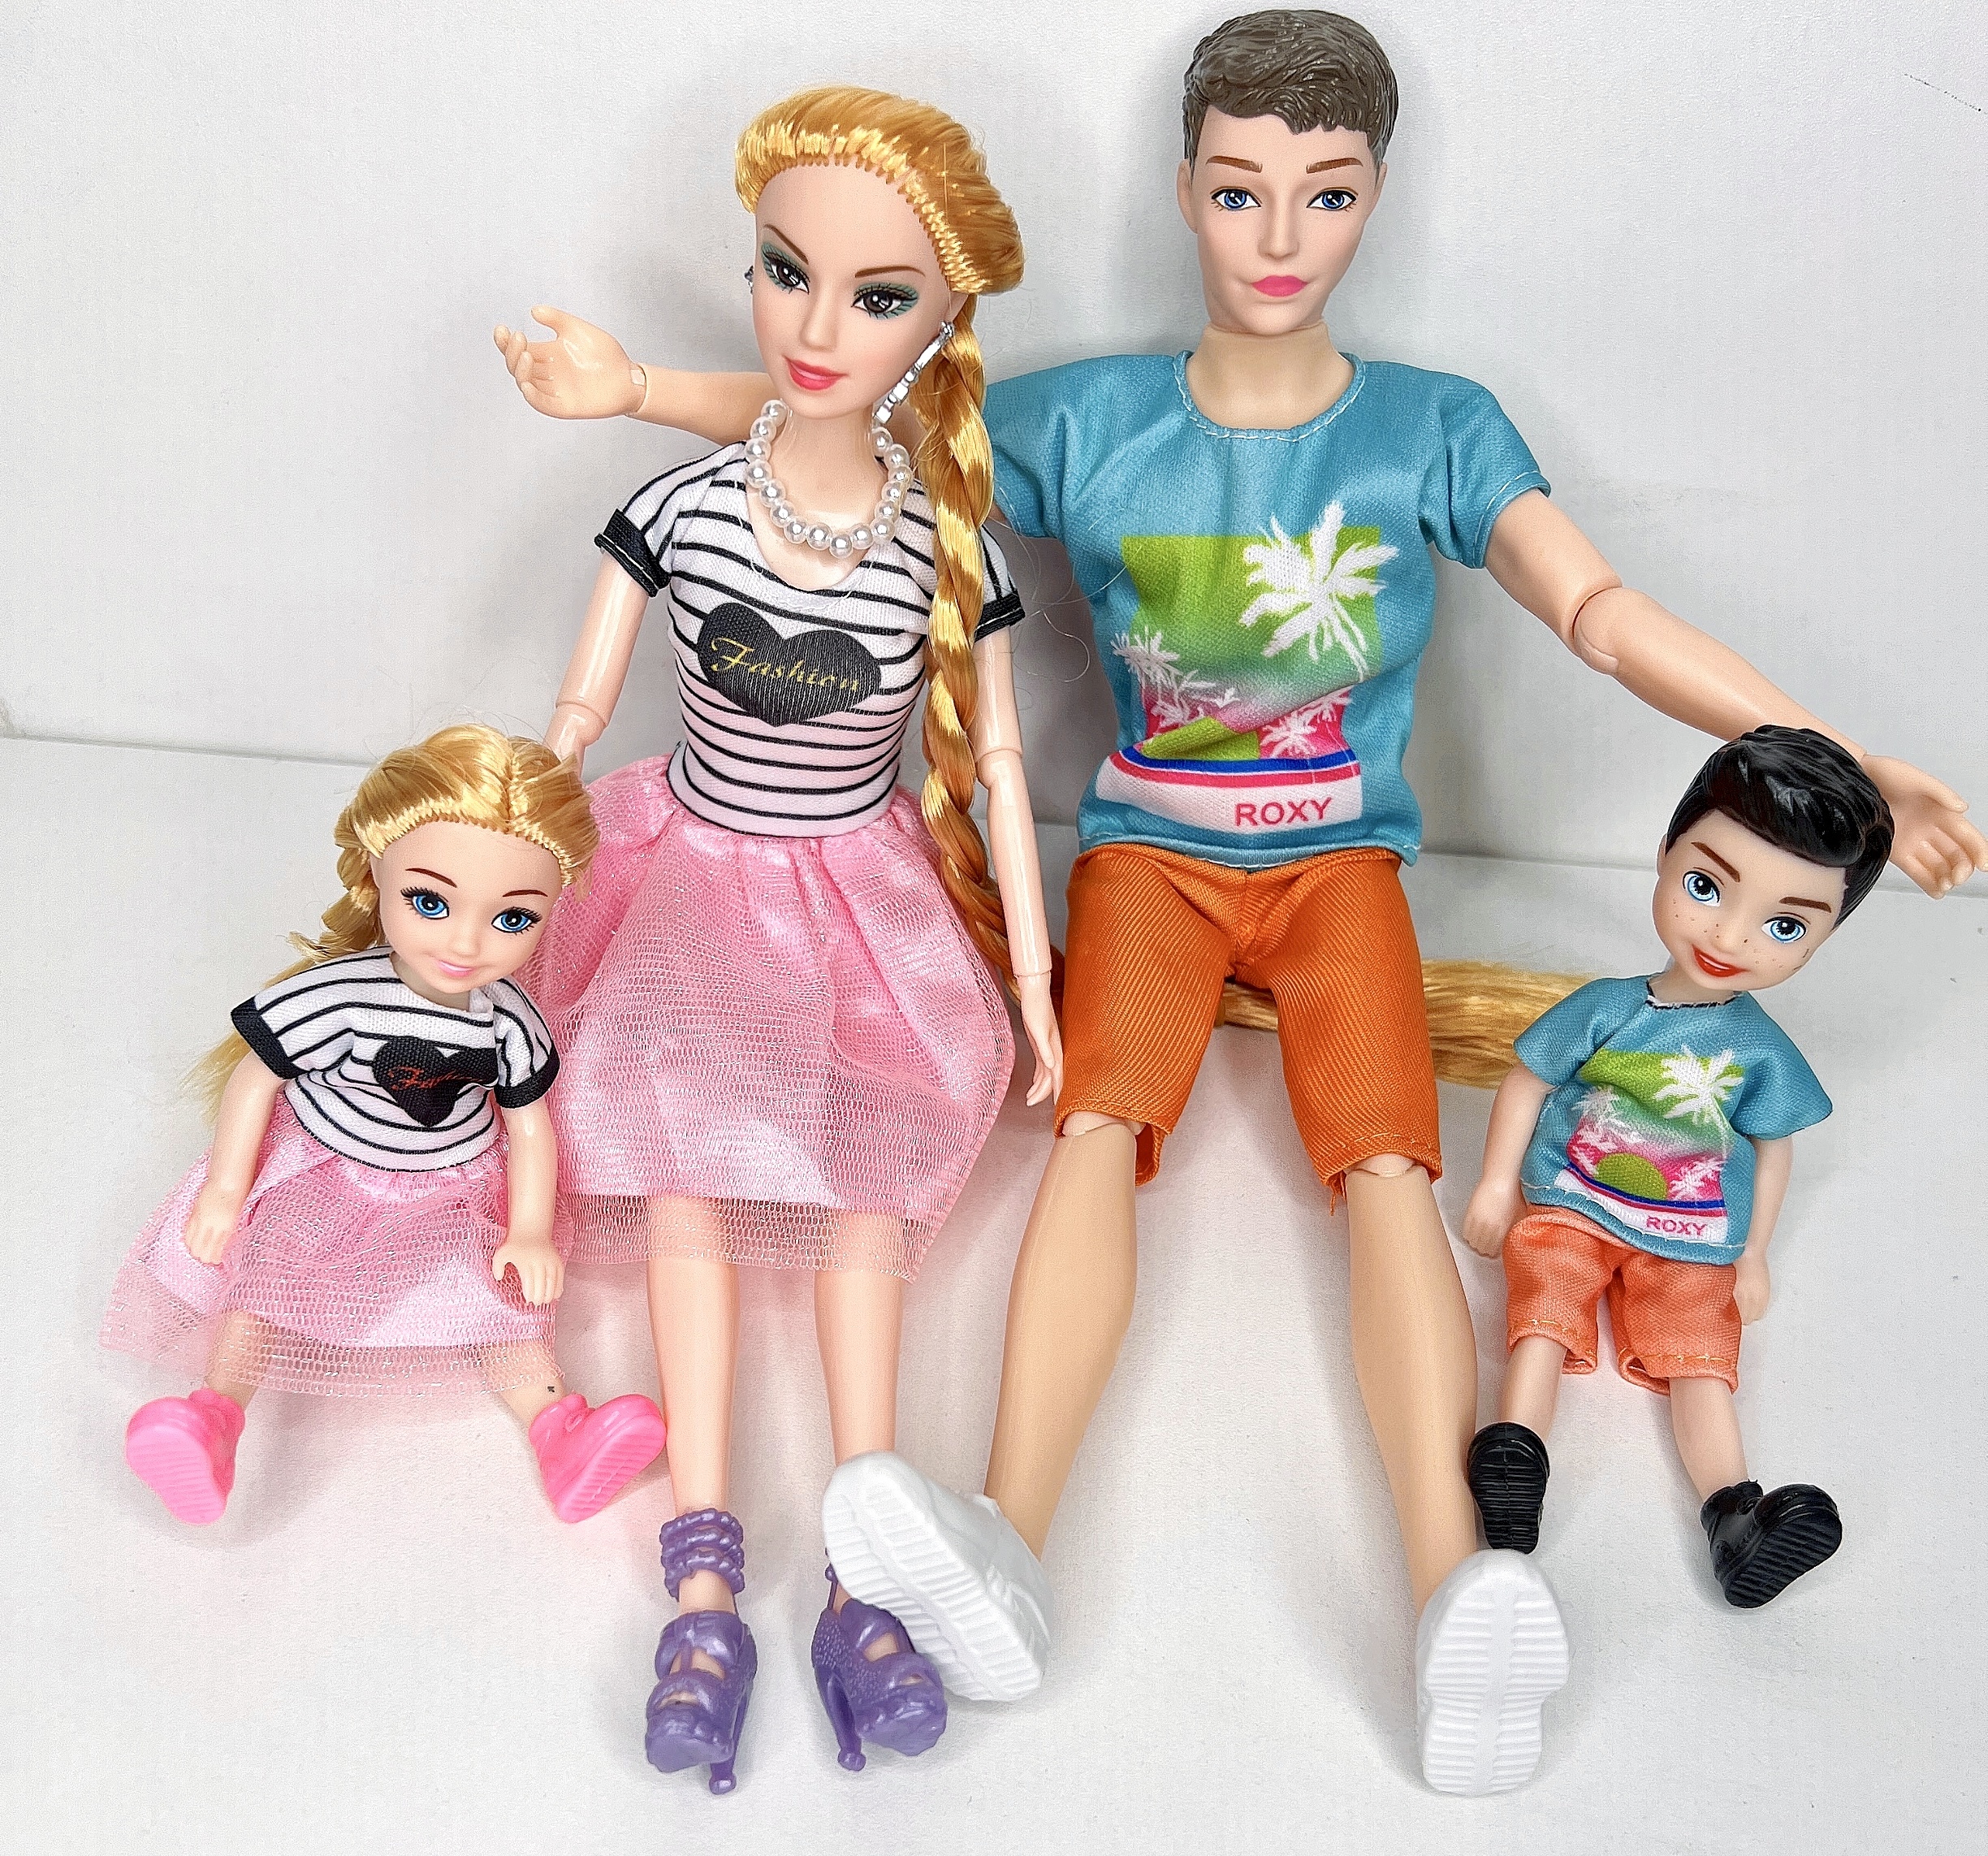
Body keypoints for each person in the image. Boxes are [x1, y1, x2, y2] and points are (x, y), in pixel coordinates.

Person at [492, 12, 1986, 1794]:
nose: (1279, 236)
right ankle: (1004, 1536)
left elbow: (1599, 614)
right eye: (1237, 189)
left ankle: (1454, 1589)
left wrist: (1837, 755)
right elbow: (850, 425)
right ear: (1184, 188)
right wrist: (634, 395)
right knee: (1097, 1131)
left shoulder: (1434, 428)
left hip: (1343, 867)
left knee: (1390, 1172)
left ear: (1376, 198)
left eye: (1325, 194)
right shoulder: (1085, 420)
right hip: (1145, 857)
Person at [508, 88, 1062, 1791]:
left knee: (854, 1193)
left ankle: (861, 1565)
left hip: (853, 899)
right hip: (685, 879)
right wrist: (513, 856)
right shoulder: (681, 509)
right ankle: (700, 1579)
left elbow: (1003, 770)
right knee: (684, 1177)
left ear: (943, 320)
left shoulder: (940, 549)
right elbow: (576, 713)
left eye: (878, 295)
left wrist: (1035, 981)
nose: (818, 327)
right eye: (783, 269)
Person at [102, 725, 668, 1526]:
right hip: (329, 1173)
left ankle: (559, 1432)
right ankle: (213, 1417)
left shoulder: (509, 1019)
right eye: (430, 902)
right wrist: (227, 1188)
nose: (465, 942)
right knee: (263, 1283)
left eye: (513, 918)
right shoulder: (340, 995)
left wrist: (530, 1229)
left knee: (502, 1303)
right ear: (378, 874)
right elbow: (258, 1076)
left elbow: (531, 1128)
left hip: (453, 1187)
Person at [1463, 727, 1888, 1611]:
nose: (1730, 936)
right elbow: (1527, 1079)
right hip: (1573, 1197)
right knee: (1545, 1310)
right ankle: (1512, 1455)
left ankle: (1736, 1516)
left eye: (1784, 925)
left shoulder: (1760, 1049)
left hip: (1691, 1233)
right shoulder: (1609, 1008)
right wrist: (1498, 1184)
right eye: (1706, 885)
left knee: (1700, 1354)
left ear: (1822, 939)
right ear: (1663, 856)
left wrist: (1755, 1252)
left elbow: (1774, 1146)